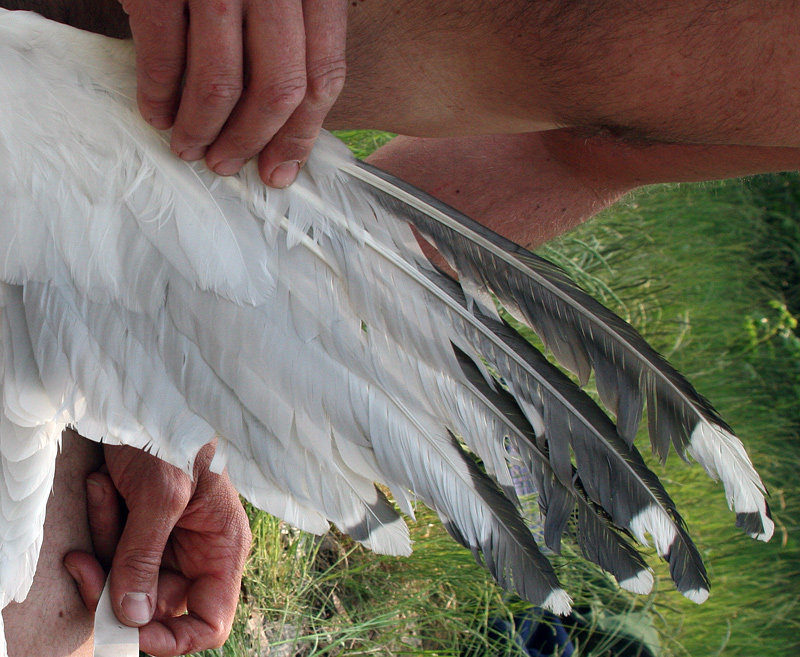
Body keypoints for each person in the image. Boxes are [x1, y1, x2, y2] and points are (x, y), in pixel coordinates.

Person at [3, 1, 800, 655]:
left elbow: (583, 157)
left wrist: (185, 376)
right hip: (60, 89)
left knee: (57, 631)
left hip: (73, 154)